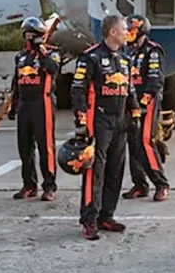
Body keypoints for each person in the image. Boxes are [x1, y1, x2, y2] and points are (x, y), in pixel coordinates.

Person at [71, 14, 140, 241]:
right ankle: (89, 220)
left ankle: (106, 215)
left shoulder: (124, 59)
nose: (127, 32)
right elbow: (78, 89)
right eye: (123, 29)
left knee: (115, 171)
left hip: (120, 121)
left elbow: (129, 89)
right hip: (98, 122)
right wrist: (81, 121)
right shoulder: (90, 57)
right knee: (95, 171)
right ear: (112, 32)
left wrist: (136, 112)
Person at [10, 16, 61, 202]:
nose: (30, 39)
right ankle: (28, 184)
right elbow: (16, 82)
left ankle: (49, 186)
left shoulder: (52, 53)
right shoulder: (21, 56)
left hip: (43, 103)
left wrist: (42, 52)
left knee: (45, 145)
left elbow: (54, 69)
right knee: (24, 146)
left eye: (34, 36)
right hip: (25, 103)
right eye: (27, 35)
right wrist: (14, 103)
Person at [122, 15, 170, 202]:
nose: (127, 34)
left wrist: (143, 102)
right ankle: (140, 184)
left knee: (145, 141)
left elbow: (156, 80)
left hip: (147, 102)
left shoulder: (153, 51)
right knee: (133, 143)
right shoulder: (127, 52)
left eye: (130, 30)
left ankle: (161, 183)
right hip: (131, 103)